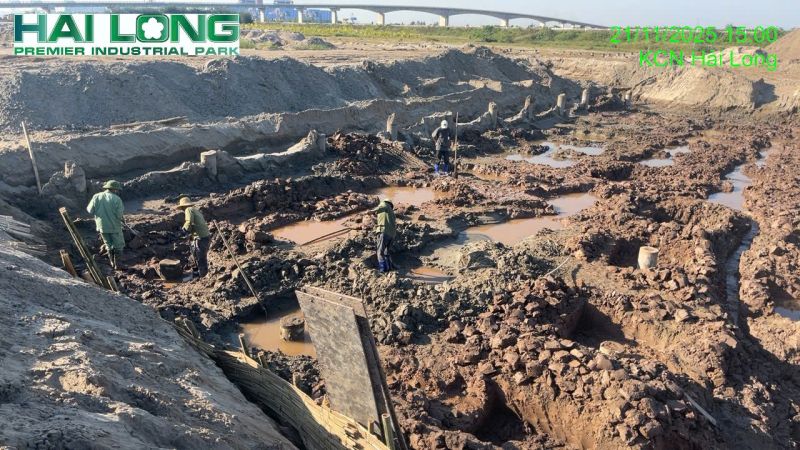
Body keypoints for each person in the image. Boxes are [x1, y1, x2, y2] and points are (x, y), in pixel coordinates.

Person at [86, 180, 125, 270]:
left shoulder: (96, 196)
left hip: (101, 226)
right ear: (115, 189)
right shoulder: (117, 199)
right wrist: (122, 220)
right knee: (119, 245)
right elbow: (119, 215)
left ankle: (112, 263)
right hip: (114, 226)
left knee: (108, 244)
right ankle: (118, 265)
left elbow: (90, 210)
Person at [176, 196, 211, 278]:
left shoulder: (188, 209)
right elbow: (195, 223)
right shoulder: (195, 210)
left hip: (200, 237)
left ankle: (202, 275)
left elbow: (189, 221)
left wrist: (184, 230)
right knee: (194, 255)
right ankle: (196, 273)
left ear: (183, 206)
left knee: (200, 256)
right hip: (203, 236)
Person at [374, 198, 396, 273]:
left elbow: (381, 207)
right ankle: (389, 267)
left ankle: (382, 269)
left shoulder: (384, 204)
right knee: (386, 252)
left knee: (380, 252)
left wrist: (370, 211)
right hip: (392, 235)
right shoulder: (392, 213)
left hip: (384, 232)